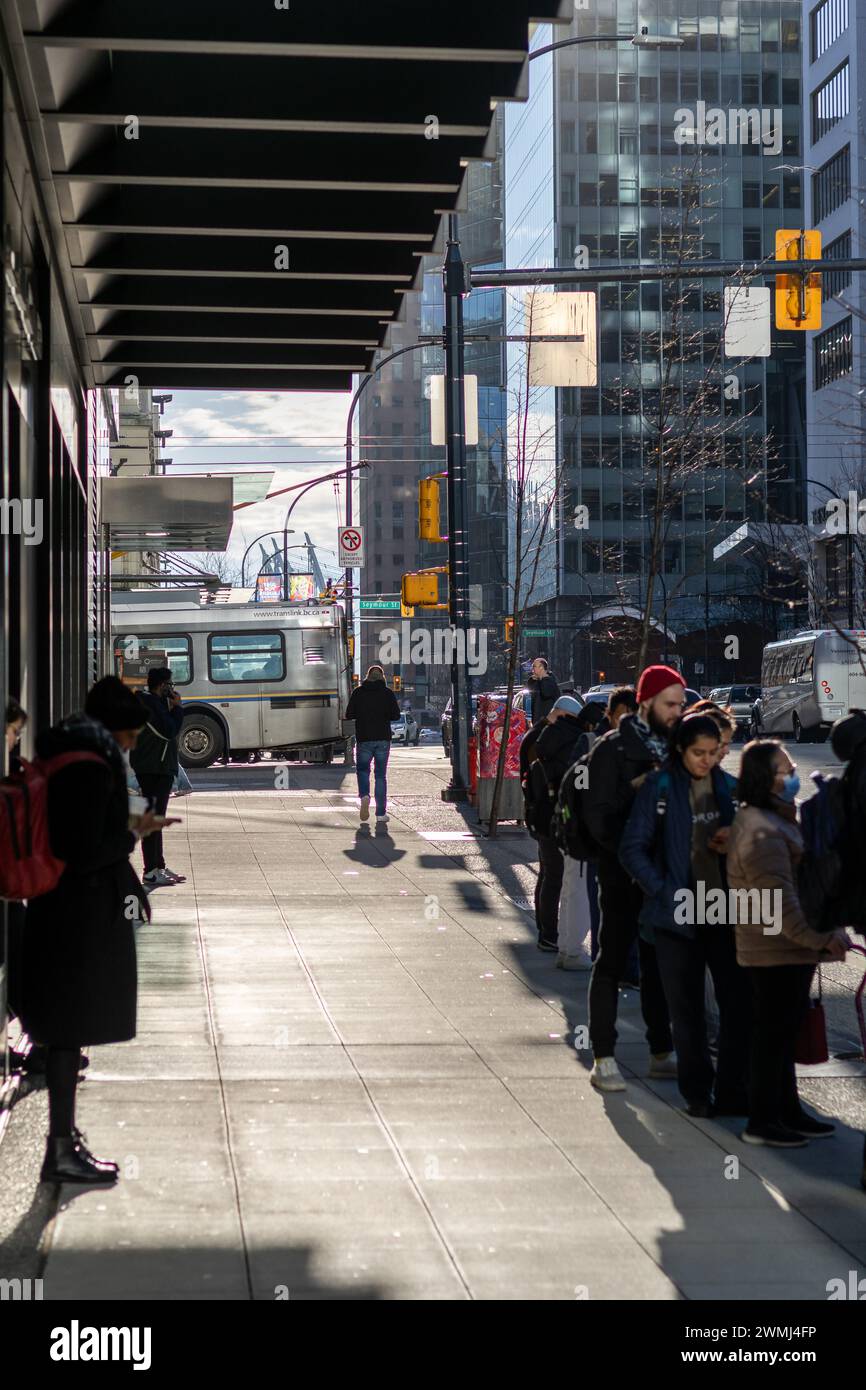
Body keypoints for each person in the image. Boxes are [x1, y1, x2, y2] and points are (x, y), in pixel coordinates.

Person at [19, 676, 164, 1183]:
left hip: (61, 909)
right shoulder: (90, 763)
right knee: (68, 1033)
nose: (132, 744)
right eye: (131, 734)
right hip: (75, 914)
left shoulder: (71, 748)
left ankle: (65, 1142)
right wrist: (130, 837)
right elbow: (82, 849)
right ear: (116, 727)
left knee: (66, 1032)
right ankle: (60, 1150)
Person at [619, 714, 750, 1116]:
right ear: (680, 749)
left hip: (721, 912)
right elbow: (632, 849)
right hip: (675, 916)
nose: (707, 760)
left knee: (736, 1006)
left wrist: (738, 839)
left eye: (714, 753)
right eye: (698, 753)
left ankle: (731, 1091)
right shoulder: (659, 788)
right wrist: (662, 890)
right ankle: (698, 1093)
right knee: (688, 1012)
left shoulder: (729, 788)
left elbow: (757, 838)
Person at [726, 739, 848, 1147]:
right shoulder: (762, 829)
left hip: (784, 949)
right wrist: (822, 938)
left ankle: (786, 1111)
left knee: (781, 1035)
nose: (793, 775)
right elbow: (778, 905)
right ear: (764, 778)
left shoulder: (773, 818)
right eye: (785, 769)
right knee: (772, 1039)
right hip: (773, 950)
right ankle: (762, 1122)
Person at [583, 665, 682, 1092]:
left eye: (680, 703)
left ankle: (662, 1049)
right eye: (670, 703)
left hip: (663, 875)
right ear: (646, 702)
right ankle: (604, 1056)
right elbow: (598, 818)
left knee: (658, 963)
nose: (678, 711)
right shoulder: (613, 749)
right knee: (612, 958)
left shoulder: (673, 746)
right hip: (622, 876)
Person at [529, 696, 588, 952]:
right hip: (562, 818)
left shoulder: (539, 739)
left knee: (549, 875)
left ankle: (547, 932)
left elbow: (528, 776)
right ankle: (554, 933)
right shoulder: (575, 743)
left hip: (542, 815)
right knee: (559, 877)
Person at [556, 701, 606, 969]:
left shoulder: (565, 740)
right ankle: (572, 950)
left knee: (570, 889)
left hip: (570, 829)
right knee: (580, 893)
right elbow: (582, 788)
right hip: (582, 833)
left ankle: (567, 947)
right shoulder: (586, 746)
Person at [129, 666, 186, 889]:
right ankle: (150, 871)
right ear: (161, 686)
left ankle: (158, 866)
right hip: (154, 768)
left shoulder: (154, 704)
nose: (171, 689)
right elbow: (169, 730)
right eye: (169, 685)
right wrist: (178, 708)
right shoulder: (149, 705)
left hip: (157, 767)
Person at [344, 664, 401, 825]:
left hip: (364, 739)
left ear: (367, 676)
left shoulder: (358, 692)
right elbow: (396, 715)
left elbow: (349, 714)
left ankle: (364, 796)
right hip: (383, 738)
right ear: (382, 677)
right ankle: (381, 814)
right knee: (380, 776)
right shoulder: (387, 693)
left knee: (363, 771)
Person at [526, 657, 560, 724]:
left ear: (541, 667)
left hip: (548, 722)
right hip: (537, 721)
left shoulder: (550, 681)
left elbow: (546, 693)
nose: (532, 669)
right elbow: (529, 687)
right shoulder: (536, 681)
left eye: (534, 666)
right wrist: (534, 679)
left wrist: (543, 678)